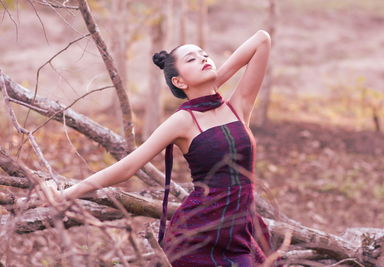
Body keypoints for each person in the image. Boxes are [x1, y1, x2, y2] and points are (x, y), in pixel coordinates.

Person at [59, 29, 272, 266]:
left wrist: (207, 88)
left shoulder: (238, 107)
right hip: (200, 235)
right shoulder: (182, 121)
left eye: (205, 55)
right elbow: (129, 166)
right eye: (192, 59)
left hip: (241, 230)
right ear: (178, 81)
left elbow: (262, 39)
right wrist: (66, 194)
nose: (203, 59)